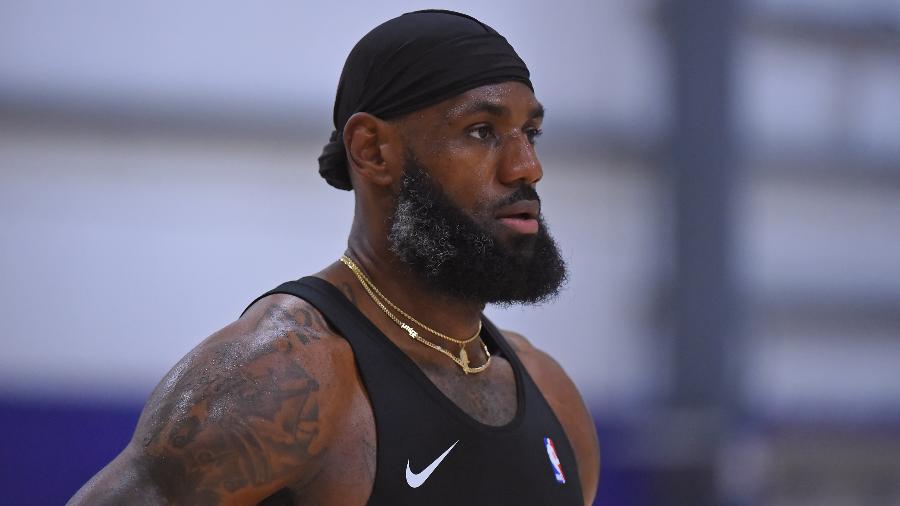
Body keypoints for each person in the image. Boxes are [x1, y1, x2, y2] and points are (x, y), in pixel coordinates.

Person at [70, 9, 600, 505]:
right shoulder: (282, 378)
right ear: (372, 150)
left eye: (530, 132)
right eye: (481, 132)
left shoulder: (551, 394)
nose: (527, 166)